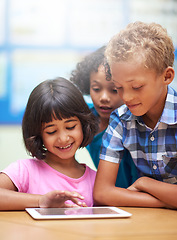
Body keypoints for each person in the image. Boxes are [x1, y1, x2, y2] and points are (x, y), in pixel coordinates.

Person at [93, 21, 177, 209]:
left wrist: (145, 184)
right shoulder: (120, 119)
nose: (127, 97)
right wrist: (168, 201)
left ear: (166, 76)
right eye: (119, 88)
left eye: (137, 87)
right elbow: (102, 193)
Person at [0, 77, 99, 210]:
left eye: (70, 127)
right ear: (38, 133)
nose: (63, 139)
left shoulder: (96, 180)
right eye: (51, 131)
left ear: (83, 124)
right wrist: (41, 201)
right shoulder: (24, 171)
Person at [70, 46, 138, 188]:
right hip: (108, 198)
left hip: (136, 198)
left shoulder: (135, 123)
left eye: (114, 90)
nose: (104, 98)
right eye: (96, 89)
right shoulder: (84, 117)